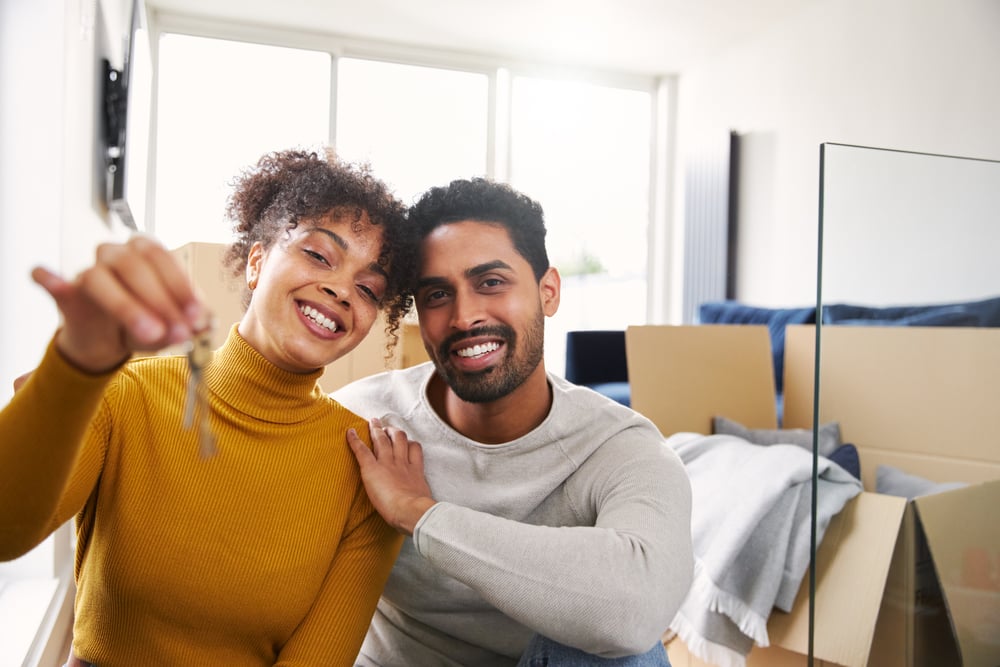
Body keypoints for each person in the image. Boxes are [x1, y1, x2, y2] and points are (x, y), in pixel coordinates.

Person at [0, 148, 417, 666]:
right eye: (318, 255)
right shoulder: (128, 395)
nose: (340, 290)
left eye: (368, 287)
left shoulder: (364, 471)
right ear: (257, 261)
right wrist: (72, 372)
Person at [338, 177, 694, 666]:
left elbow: (636, 613)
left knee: (613, 651)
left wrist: (419, 514)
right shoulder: (365, 423)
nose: (465, 317)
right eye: (439, 294)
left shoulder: (619, 447)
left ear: (548, 292)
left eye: (491, 282)